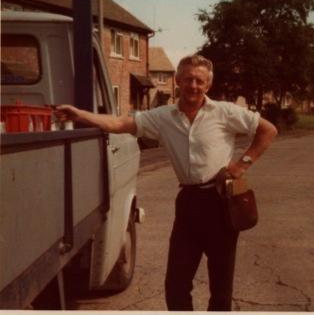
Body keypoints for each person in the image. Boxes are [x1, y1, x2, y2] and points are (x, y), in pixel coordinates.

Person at [55, 54, 277, 311]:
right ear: (178, 82)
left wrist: (242, 164)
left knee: (221, 288)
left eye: (199, 81)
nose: (193, 85)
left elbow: (268, 130)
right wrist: (79, 114)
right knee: (176, 286)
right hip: (189, 204)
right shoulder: (163, 117)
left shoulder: (225, 112)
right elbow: (118, 123)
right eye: (188, 79)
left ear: (208, 85)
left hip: (221, 203)